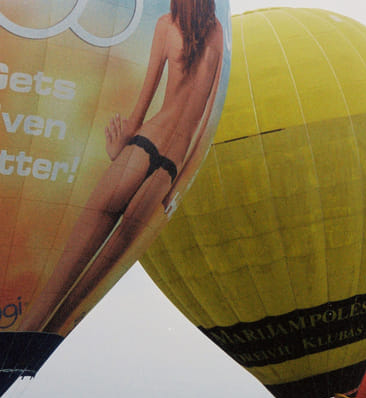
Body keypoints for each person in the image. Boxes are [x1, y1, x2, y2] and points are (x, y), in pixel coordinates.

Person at [19, 0, 225, 336]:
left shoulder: (165, 25)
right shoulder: (217, 33)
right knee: (88, 284)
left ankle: (23, 335)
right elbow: (203, 123)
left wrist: (122, 145)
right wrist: (176, 186)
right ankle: (45, 335)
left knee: (61, 275)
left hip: (144, 146)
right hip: (169, 169)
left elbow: (144, 100)